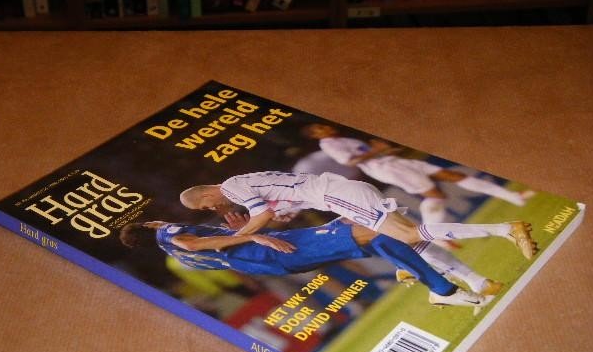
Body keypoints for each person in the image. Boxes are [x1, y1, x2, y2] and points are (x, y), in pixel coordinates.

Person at [120, 218, 500, 308]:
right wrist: (250, 236)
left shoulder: (173, 257)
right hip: (273, 251)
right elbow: (194, 240)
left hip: (268, 263)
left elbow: (212, 251)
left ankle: (440, 286)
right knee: (374, 227)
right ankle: (446, 285)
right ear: (148, 226)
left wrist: (240, 231)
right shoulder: (169, 235)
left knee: (374, 237)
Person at [179, 171, 537, 261]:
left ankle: (506, 229)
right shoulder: (242, 184)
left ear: (206, 195)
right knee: (404, 236)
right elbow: (280, 207)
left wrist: (240, 236)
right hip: (337, 193)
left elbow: (260, 214)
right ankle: (454, 282)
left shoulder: (231, 189)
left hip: (337, 195)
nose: (210, 209)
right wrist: (277, 217)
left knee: (408, 235)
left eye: (204, 206)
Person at [301, 123, 534, 223]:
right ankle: (433, 234)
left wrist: (386, 150)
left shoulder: (341, 138)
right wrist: (377, 150)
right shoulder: (329, 145)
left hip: (393, 162)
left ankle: (514, 197)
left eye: (323, 125)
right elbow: (350, 161)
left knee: (451, 176)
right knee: (435, 196)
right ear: (315, 136)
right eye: (320, 128)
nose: (326, 127)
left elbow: (364, 154)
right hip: (388, 169)